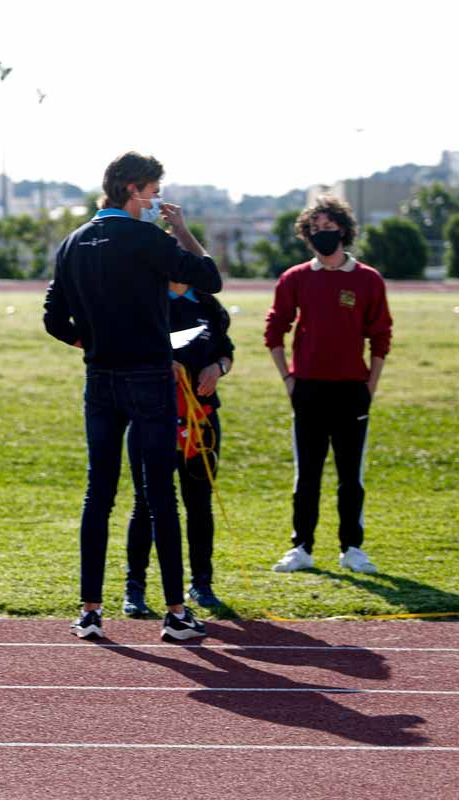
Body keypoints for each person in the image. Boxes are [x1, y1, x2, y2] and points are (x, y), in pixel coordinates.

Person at [44, 151, 222, 641]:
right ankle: (176, 613)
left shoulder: (73, 242)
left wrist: (95, 342)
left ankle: (90, 611)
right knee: (159, 493)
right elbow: (210, 280)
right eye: (152, 189)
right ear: (133, 188)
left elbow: (54, 320)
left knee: (97, 493)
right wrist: (182, 231)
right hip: (147, 376)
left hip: (99, 377)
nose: (156, 198)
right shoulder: (148, 238)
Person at [264, 196, 392, 574]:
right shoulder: (296, 278)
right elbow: (274, 330)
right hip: (307, 389)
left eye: (329, 227)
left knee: (351, 476)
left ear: (344, 230)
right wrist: (288, 378)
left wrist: (370, 384)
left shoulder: (368, 279)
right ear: (308, 234)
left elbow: (381, 336)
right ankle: (301, 547)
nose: (323, 234)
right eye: (315, 229)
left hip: (352, 390)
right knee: (307, 475)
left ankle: (352, 548)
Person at [124, 278, 234, 617]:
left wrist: (218, 368)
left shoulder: (208, 307)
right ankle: (135, 588)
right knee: (146, 503)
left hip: (200, 420)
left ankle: (202, 583)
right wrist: (158, 363)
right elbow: (124, 351)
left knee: (198, 503)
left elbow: (226, 352)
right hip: (151, 418)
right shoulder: (144, 300)